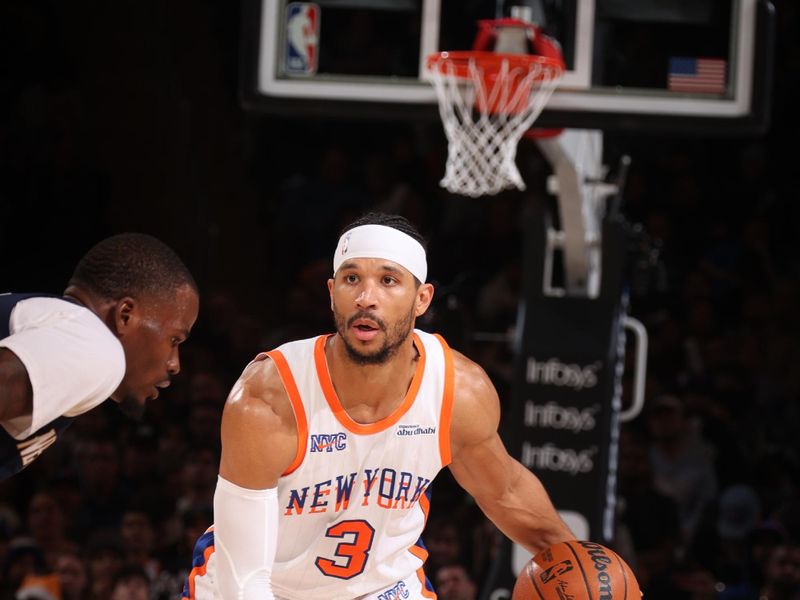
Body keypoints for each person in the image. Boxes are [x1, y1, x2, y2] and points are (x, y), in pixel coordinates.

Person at [182, 213, 573, 600]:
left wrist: (579, 562)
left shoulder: (457, 391)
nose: (366, 299)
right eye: (352, 279)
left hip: (381, 587)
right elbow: (245, 581)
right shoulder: (268, 397)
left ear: (422, 299)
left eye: (388, 281)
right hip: (258, 586)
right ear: (332, 291)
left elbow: (504, 491)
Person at [0, 233, 199, 479]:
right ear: (125, 315)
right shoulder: (95, 345)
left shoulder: (63, 326)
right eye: (174, 340)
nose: (175, 364)